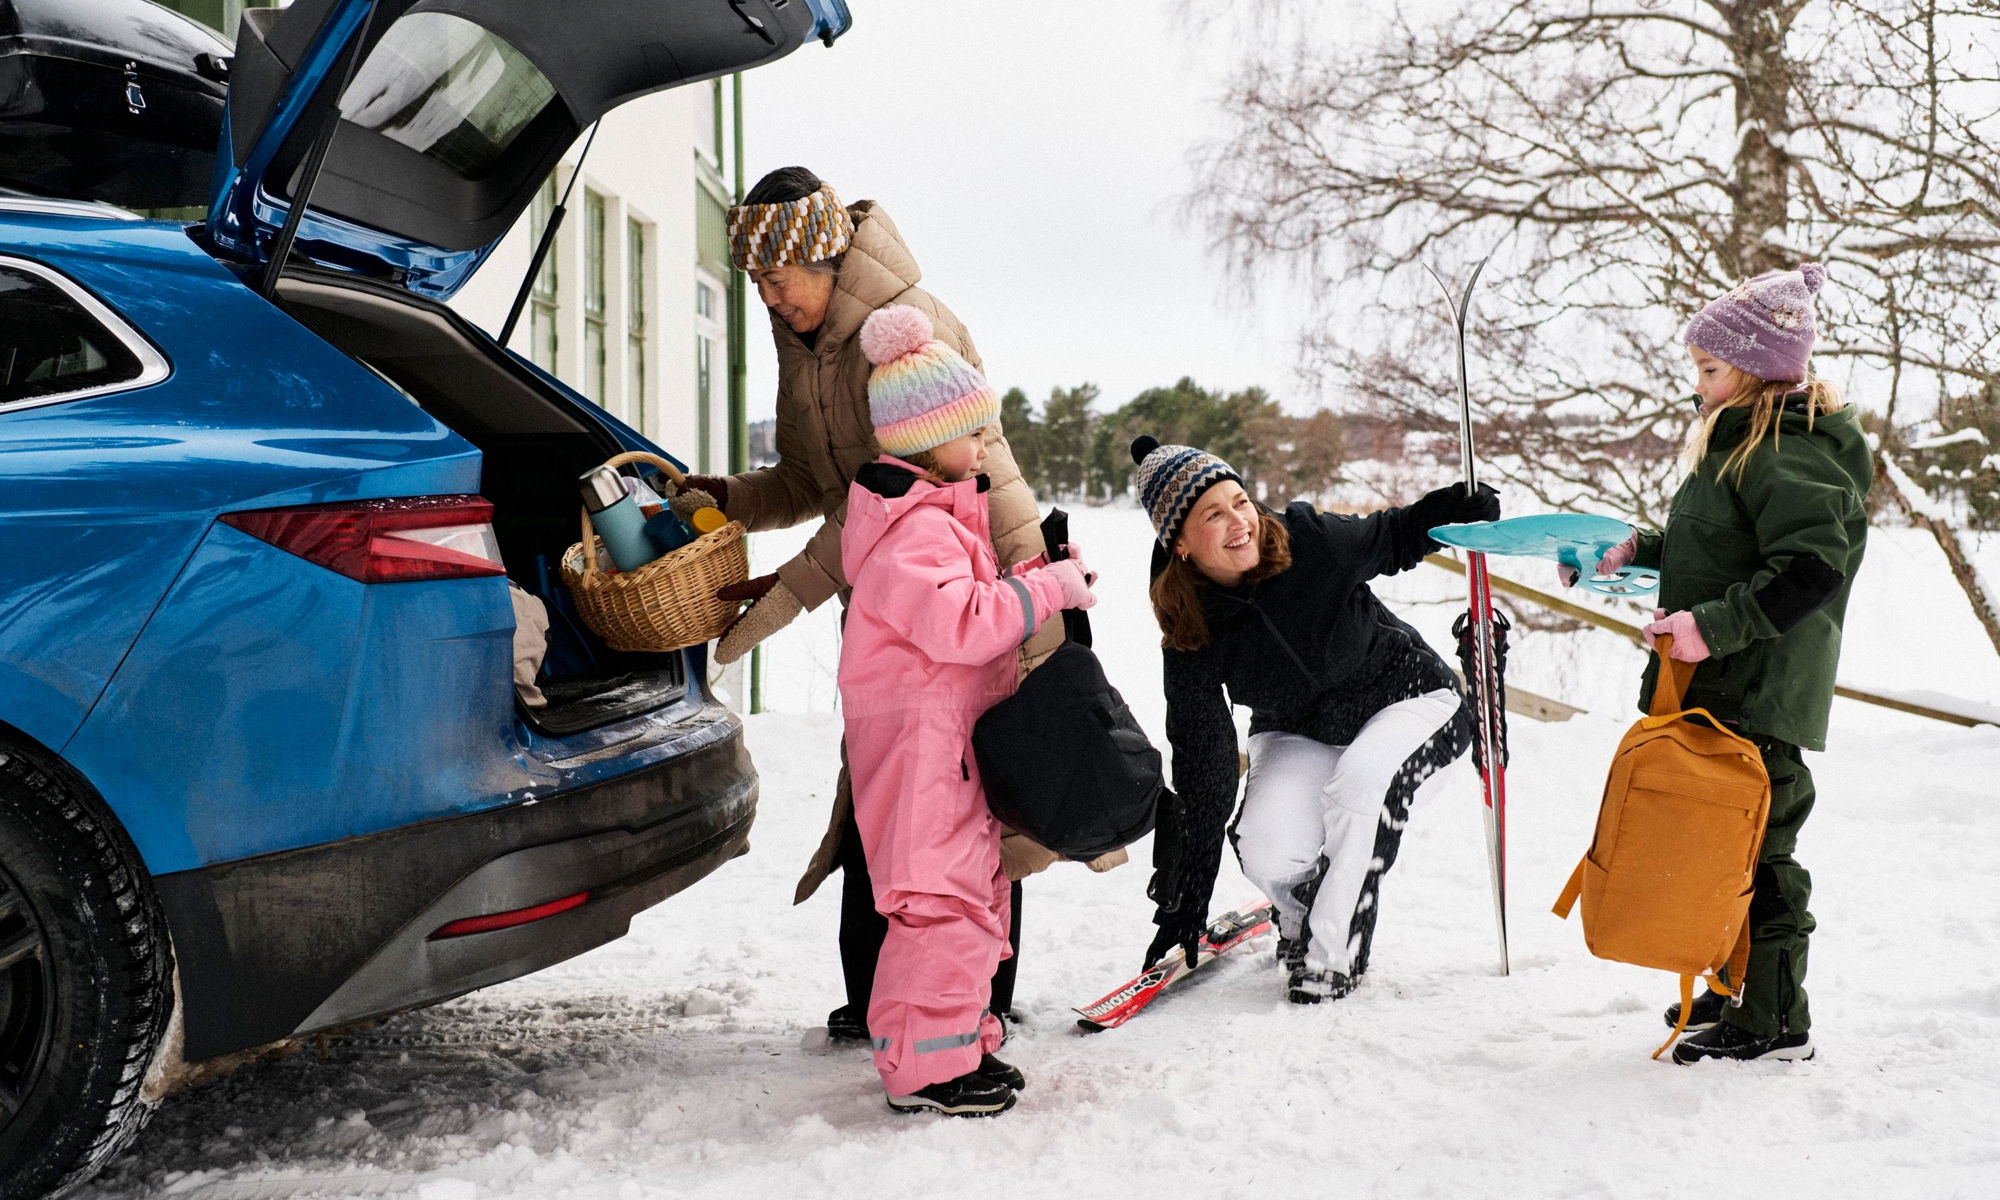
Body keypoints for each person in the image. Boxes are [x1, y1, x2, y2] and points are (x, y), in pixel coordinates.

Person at [680, 168, 1096, 1044]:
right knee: (889, 797)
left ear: (826, 257)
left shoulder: (900, 332)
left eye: (776, 276)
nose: (767, 295)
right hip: (895, 599)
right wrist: (731, 497)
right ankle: (886, 996)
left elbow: (888, 501)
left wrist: (793, 587)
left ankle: (973, 1000)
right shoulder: (805, 341)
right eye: (754, 281)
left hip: (980, 584)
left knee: (976, 808)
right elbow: (811, 481)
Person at [1564, 262, 1869, 1064]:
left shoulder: (1789, 450)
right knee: (1714, 846)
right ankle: (1737, 997)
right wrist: (1637, 549)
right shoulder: (1739, 445)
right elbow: (1719, 548)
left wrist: (1715, 628)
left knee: (1760, 852)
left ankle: (1775, 1021)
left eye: (1709, 368)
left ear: (1759, 369)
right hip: (1721, 683)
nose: (1697, 385)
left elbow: (1812, 566)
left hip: (1759, 690)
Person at [838, 305, 1097, 1115]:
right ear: (926, 438)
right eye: (975, 432)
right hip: (922, 761)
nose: (985, 446)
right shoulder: (913, 534)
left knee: (969, 897)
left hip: (946, 752)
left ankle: (955, 1041)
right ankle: (923, 1072)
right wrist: (1046, 587)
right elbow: (962, 622)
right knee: (938, 908)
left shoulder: (933, 522)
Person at [1134, 436, 1498, 1003]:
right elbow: (1204, 773)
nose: (1239, 521)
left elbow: (1395, 535)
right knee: (1264, 844)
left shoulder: (1310, 541)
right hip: (1300, 728)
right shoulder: (1191, 631)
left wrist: (1454, 509)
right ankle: (1303, 903)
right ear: (1179, 543)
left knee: (1360, 786)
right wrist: (1190, 900)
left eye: (1240, 501)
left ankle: (1335, 954)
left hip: (1411, 699)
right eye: (1213, 514)